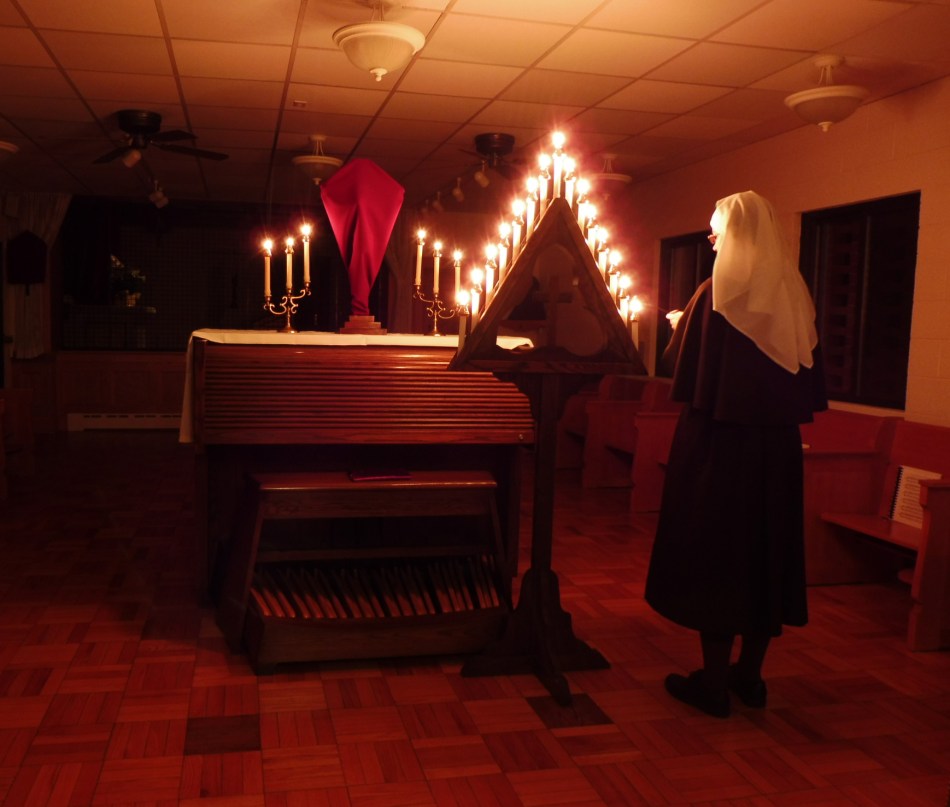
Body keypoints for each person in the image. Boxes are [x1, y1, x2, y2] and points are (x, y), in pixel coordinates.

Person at [644, 190, 827, 718]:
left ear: (738, 234)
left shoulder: (715, 294)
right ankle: (751, 676)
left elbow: (684, 368)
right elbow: (803, 373)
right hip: (775, 453)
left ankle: (714, 684)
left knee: (716, 555)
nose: (712, 238)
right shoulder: (795, 295)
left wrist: (682, 327)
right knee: (765, 554)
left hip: (718, 450)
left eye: (717, 228)